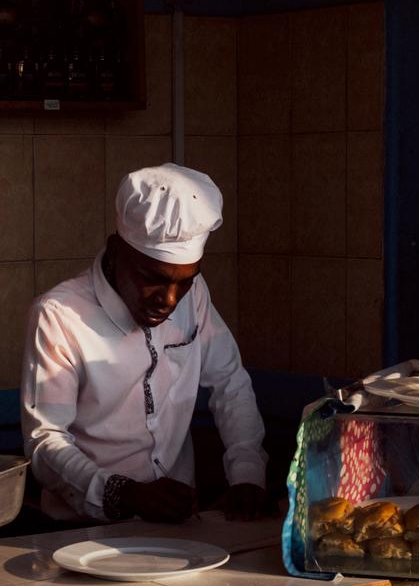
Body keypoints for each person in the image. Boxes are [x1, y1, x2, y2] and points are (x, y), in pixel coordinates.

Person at [20, 163, 268, 524]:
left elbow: (230, 383)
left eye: (184, 282)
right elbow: (45, 440)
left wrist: (247, 472)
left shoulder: (193, 296)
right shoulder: (59, 315)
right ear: (116, 250)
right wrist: (124, 493)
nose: (168, 300)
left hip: (178, 525)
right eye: (152, 279)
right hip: (81, 529)